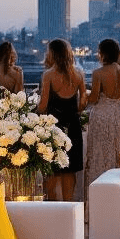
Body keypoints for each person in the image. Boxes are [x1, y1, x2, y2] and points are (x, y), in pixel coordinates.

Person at [38, 39, 87, 201]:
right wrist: (74, 112)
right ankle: (69, 205)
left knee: (52, 168)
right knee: (70, 168)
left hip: (54, 126)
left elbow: (43, 105)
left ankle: (53, 208)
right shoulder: (79, 74)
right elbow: (83, 103)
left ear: (52, 53)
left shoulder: (48, 75)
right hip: (72, 125)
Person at [86, 38, 120, 184]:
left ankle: (99, 188)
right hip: (117, 115)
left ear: (103, 53)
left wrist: (85, 95)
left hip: (101, 115)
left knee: (100, 152)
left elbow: (93, 98)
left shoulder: (98, 73)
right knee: (118, 151)